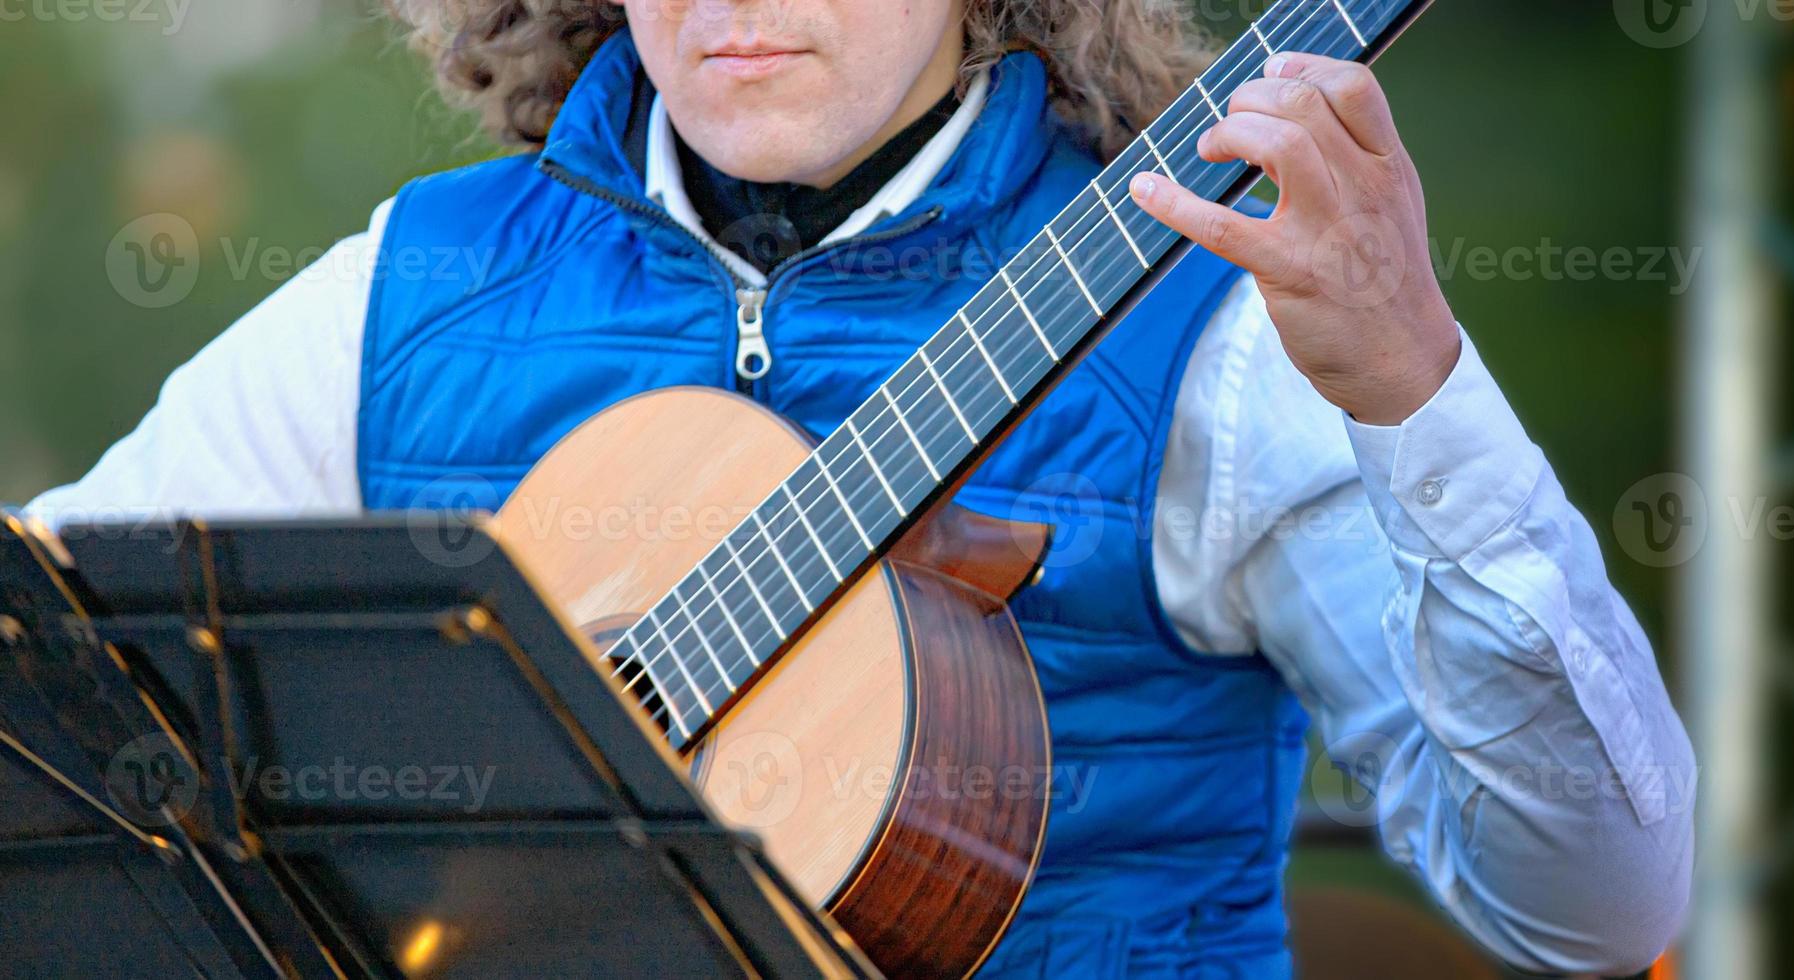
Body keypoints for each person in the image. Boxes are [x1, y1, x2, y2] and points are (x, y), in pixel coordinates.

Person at [28, 0, 1695, 974]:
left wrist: (1421, 396)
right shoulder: (405, 299)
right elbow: (45, 709)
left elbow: (1592, 901)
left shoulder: (1227, 329)